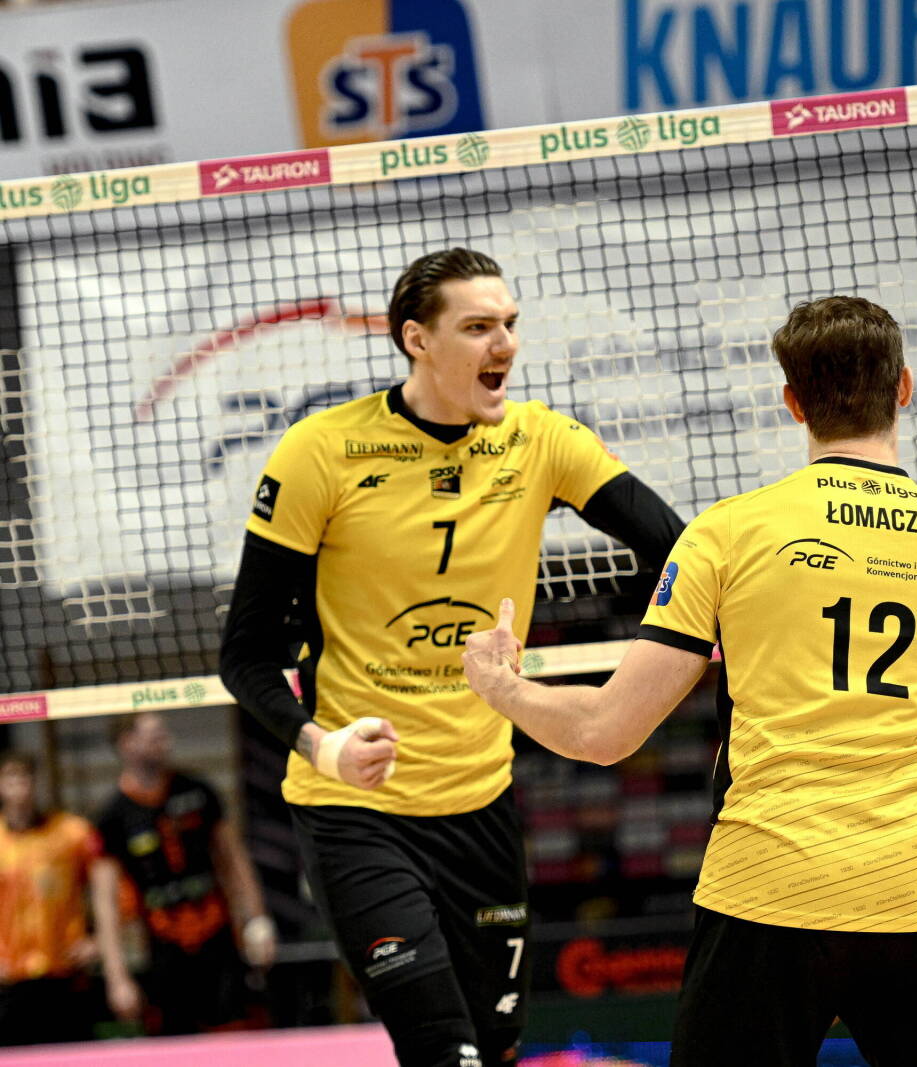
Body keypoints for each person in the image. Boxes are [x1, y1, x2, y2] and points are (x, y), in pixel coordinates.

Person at [461, 295, 917, 1067]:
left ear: (792, 402)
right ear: (904, 388)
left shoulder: (726, 534)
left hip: (765, 892)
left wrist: (502, 687)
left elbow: (603, 733)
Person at [219, 247, 684, 1067]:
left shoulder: (541, 440)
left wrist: (657, 668)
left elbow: (682, 552)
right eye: (477, 328)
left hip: (482, 804)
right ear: (417, 340)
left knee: (497, 1051)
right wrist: (322, 745)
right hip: (357, 808)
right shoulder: (321, 450)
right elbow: (245, 656)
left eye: (509, 324)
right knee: (446, 1053)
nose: (504, 344)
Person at [91, 712, 275, 1035]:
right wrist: (117, 977)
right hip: (162, 945)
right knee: (174, 1040)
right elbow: (105, 903)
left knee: (237, 1030)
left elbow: (234, 861)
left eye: (164, 735)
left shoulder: (197, 791)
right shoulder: (113, 816)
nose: (165, 743)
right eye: (153, 737)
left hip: (217, 935)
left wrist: (258, 921)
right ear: (127, 744)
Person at [0, 750, 102, 1045]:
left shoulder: (72, 833)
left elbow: (113, 887)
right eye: (11, 777)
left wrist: (98, 940)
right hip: (11, 978)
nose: (20, 786)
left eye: (26, 776)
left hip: (66, 973)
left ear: (37, 782)